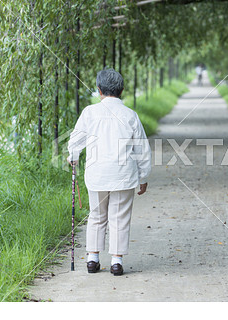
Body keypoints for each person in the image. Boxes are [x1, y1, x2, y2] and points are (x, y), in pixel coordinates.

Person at [67, 68, 151, 276]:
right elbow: (141, 148)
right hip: (124, 174)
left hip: (97, 174)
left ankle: (92, 258)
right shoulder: (130, 115)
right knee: (119, 217)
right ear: (121, 90)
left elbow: (76, 141)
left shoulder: (89, 113)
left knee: (96, 215)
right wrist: (144, 176)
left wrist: (73, 157)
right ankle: (116, 261)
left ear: (99, 90)